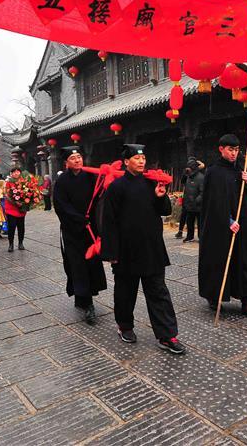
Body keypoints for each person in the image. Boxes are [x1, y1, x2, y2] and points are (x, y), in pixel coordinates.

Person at [100, 144, 185, 354]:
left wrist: (160, 195)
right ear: (126, 162)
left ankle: (167, 335)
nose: (141, 161)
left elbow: (164, 211)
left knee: (158, 292)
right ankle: (125, 326)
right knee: (125, 293)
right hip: (126, 251)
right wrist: (111, 253)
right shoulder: (116, 187)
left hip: (152, 249)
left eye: (144, 158)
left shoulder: (151, 183)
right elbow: (108, 221)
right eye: (137, 159)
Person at [198, 134, 247, 320]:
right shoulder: (214, 172)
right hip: (222, 227)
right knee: (219, 261)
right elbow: (213, 203)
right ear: (221, 149)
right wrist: (228, 221)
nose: (234, 154)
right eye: (230, 150)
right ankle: (215, 296)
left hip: (244, 224)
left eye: (236, 150)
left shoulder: (241, 169)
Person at [53, 146, 107, 324]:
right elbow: (61, 206)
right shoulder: (62, 181)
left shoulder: (90, 176)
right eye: (73, 158)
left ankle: (86, 296)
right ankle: (87, 303)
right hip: (72, 231)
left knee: (91, 264)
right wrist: (78, 219)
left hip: (91, 228)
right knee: (77, 266)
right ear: (66, 162)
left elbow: (100, 195)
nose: (77, 160)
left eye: (79, 157)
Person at [180, 158, 204, 243]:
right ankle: (190, 236)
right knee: (189, 222)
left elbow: (203, 192)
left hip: (198, 206)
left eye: (189, 167)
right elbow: (182, 183)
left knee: (200, 223)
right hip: (189, 205)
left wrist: (196, 201)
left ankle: (201, 237)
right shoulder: (188, 176)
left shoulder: (201, 177)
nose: (188, 169)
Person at [3, 167, 28, 252]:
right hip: (11, 208)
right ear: (11, 174)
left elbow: (28, 193)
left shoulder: (24, 182)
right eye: (14, 172)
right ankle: (11, 244)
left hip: (21, 208)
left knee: (21, 227)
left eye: (18, 172)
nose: (16, 173)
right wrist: (15, 202)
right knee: (12, 227)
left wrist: (24, 203)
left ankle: (21, 243)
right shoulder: (8, 183)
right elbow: (7, 195)